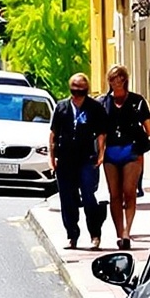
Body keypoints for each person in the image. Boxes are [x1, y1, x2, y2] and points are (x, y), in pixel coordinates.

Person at [50, 72, 106, 250]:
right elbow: (53, 134)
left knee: (89, 196)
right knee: (67, 198)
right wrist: (52, 158)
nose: (77, 94)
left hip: (87, 158)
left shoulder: (94, 108)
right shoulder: (62, 107)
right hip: (65, 159)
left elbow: (101, 133)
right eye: (74, 89)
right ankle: (72, 235)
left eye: (81, 90)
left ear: (87, 90)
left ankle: (95, 234)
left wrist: (101, 154)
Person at [100, 63, 150, 244]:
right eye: (113, 79)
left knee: (129, 191)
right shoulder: (103, 103)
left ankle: (126, 232)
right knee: (114, 194)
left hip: (131, 150)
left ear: (125, 80)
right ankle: (119, 233)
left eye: (120, 78)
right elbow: (99, 131)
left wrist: (136, 137)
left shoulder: (137, 101)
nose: (116, 82)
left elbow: (149, 129)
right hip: (110, 152)